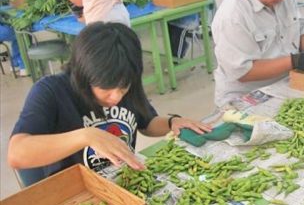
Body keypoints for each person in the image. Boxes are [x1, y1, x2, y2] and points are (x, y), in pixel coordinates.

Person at [7, 22, 211, 187]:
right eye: (106, 89)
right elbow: (17, 153)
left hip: (121, 183)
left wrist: (172, 123)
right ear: (85, 75)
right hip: (74, 192)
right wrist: (85, 136)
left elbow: (146, 122)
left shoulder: (125, 81)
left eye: (123, 88)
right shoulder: (51, 91)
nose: (116, 97)